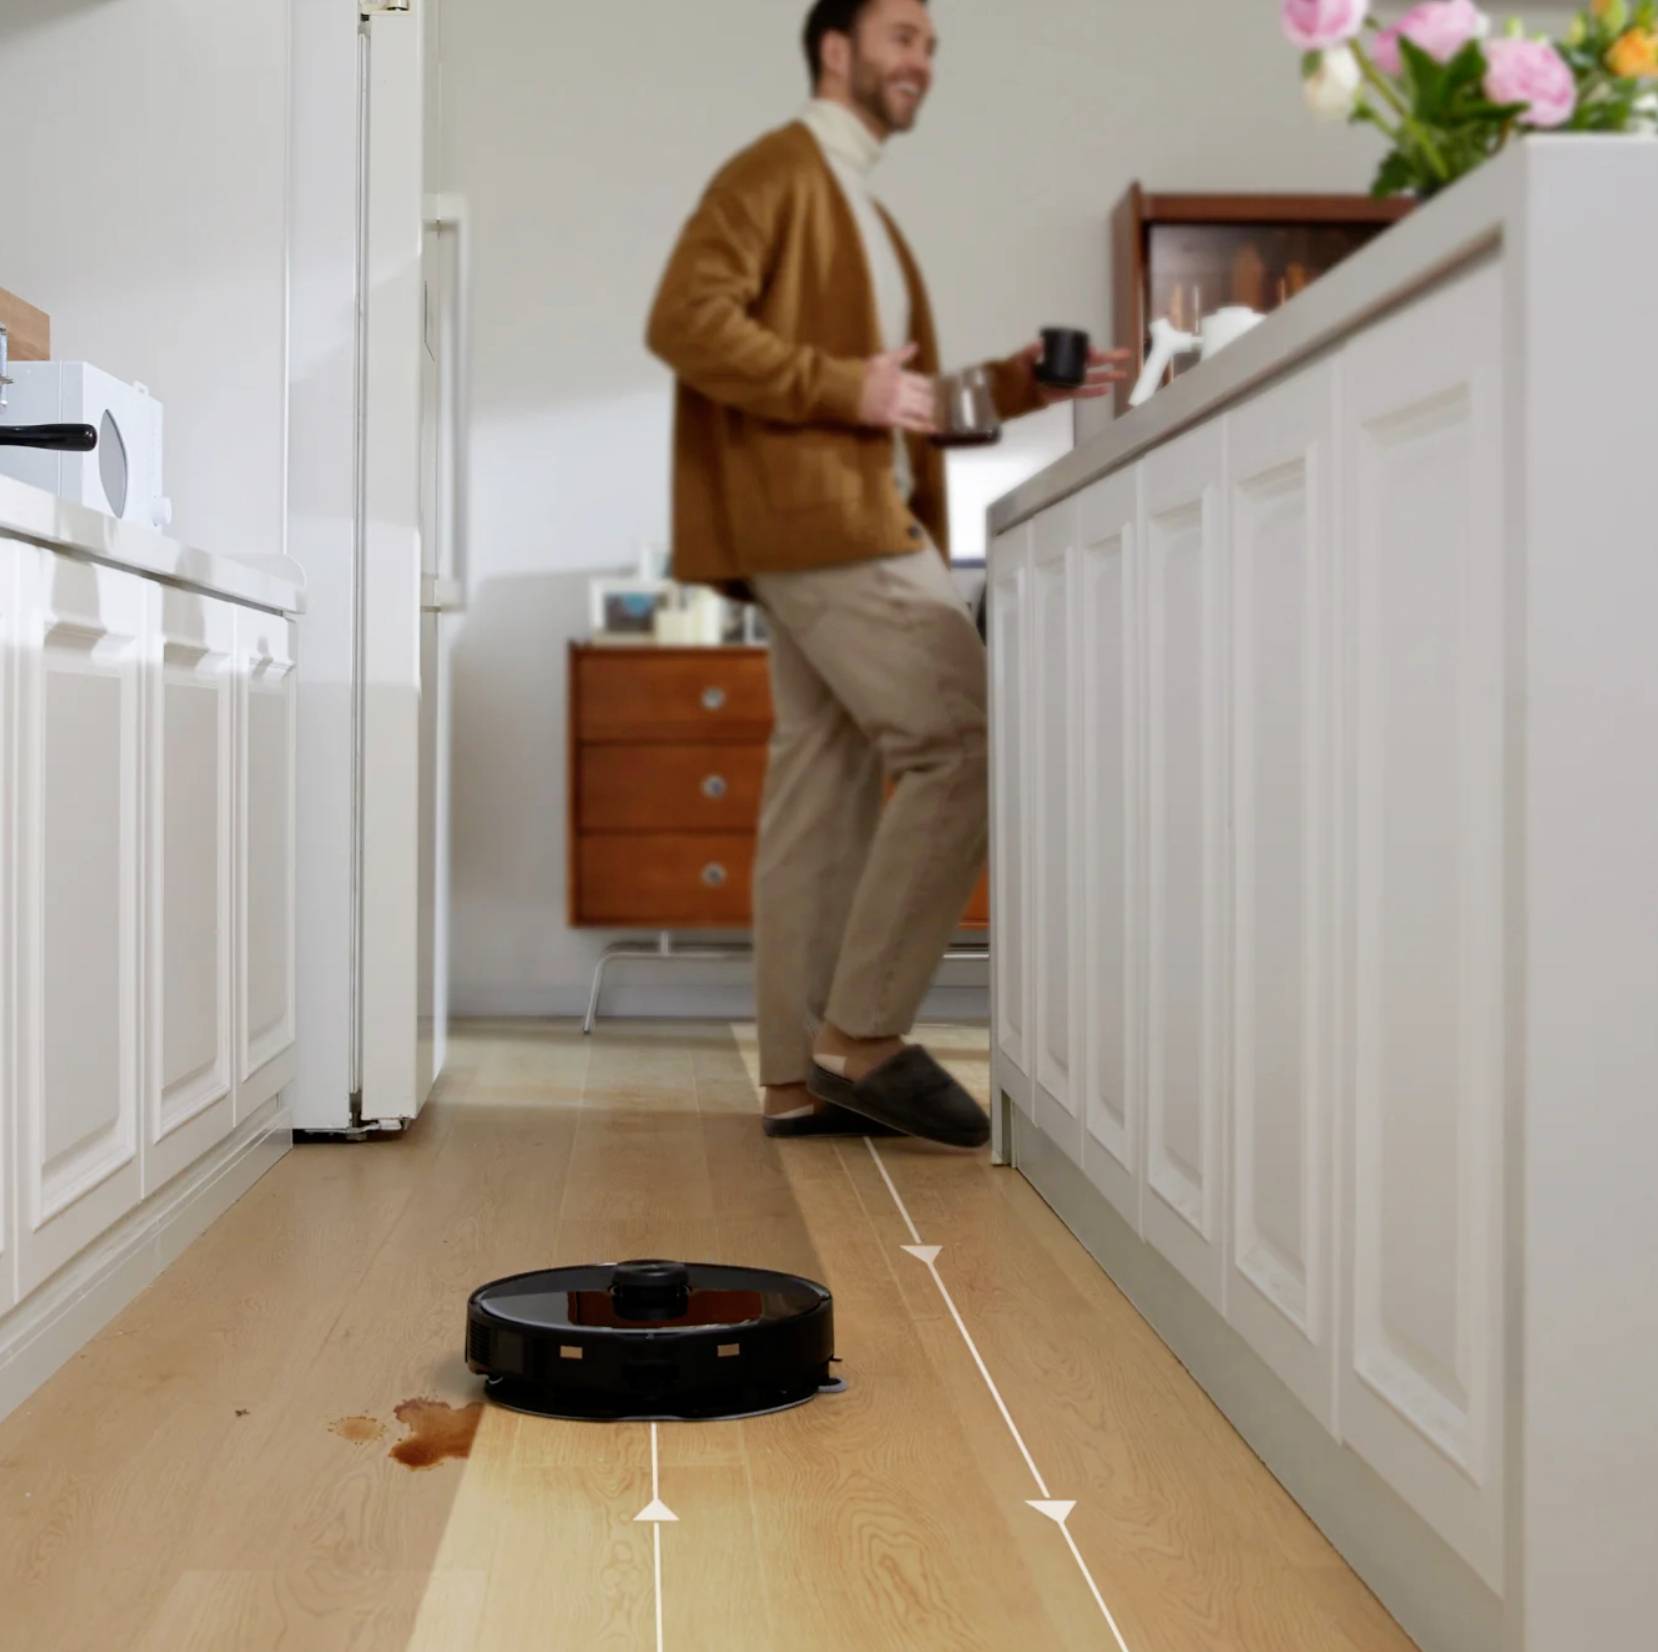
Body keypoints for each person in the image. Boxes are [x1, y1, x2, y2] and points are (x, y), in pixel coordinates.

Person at [646, 0, 1127, 1146]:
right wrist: (845, 388)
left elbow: (891, 401)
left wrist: (1015, 384)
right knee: (964, 737)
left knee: (819, 784)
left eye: (929, 45)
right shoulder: (778, 170)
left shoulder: (858, 203)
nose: (922, 60)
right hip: (825, 521)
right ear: (836, 47)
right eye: (902, 35)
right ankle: (859, 1036)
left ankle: (793, 1079)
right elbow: (687, 320)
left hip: (824, 511)